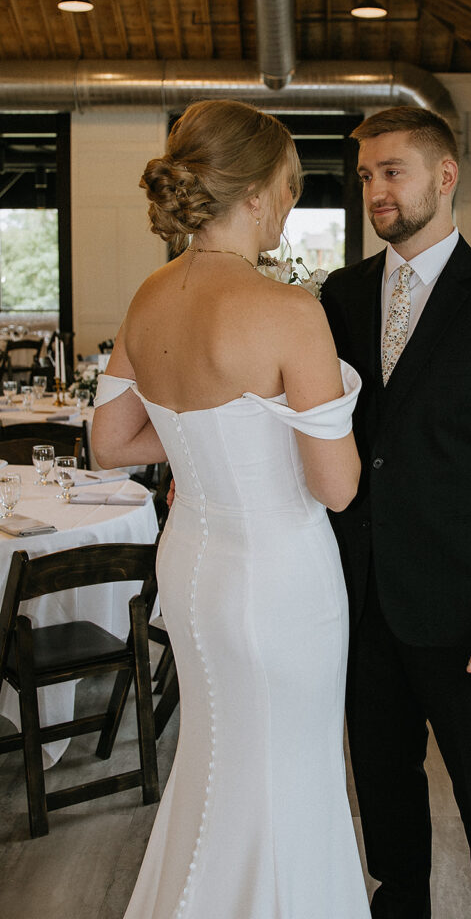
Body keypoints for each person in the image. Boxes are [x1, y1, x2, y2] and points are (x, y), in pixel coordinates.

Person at [91, 99, 371, 919]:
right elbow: (338, 486)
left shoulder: (148, 296)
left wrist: (203, 453)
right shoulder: (290, 311)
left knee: (217, 759)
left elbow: (110, 442)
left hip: (192, 565)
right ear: (252, 193)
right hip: (280, 577)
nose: (289, 205)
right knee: (287, 769)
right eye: (288, 188)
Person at [321, 106, 471, 919]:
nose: (375, 192)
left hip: (465, 607)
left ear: (444, 176)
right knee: (382, 783)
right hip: (358, 598)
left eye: (392, 172)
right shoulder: (339, 296)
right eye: (364, 177)